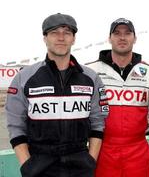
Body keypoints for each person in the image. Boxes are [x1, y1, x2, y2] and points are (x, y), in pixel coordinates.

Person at [5, 13, 109, 177]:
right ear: (45, 38)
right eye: (54, 32)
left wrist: (91, 160)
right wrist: (27, 164)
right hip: (39, 167)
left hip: (80, 167)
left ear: (73, 39)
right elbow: (15, 125)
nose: (61, 37)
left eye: (67, 33)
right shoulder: (24, 78)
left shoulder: (91, 78)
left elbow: (98, 122)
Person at [86, 18, 149, 177]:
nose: (122, 37)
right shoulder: (90, 70)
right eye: (117, 33)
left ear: (135, 38)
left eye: (127, 33)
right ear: (109, 38)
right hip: (102, 149)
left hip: (138, 151)